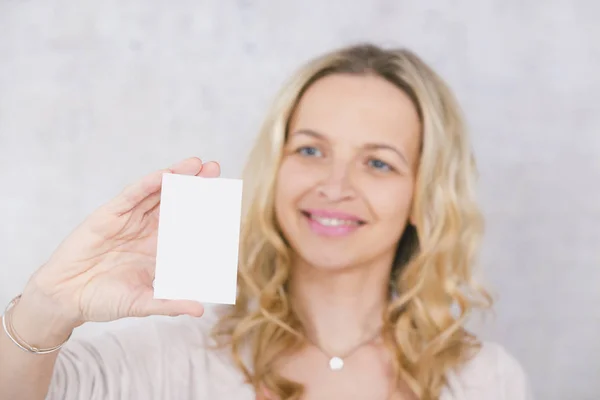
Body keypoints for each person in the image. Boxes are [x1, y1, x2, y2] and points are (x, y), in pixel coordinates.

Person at [0, 43, 532, 400]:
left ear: (423, 194)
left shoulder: (486, 380)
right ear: (275, 170)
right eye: (309, 150)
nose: (335, 185)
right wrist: (47, 307)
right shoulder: (171, 361)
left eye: (377, 163)